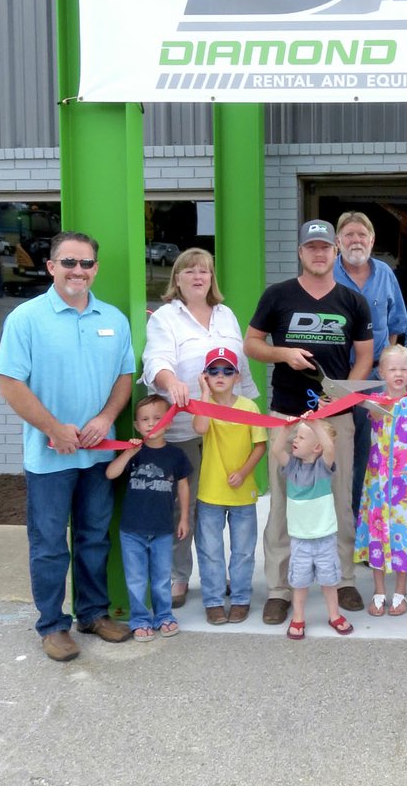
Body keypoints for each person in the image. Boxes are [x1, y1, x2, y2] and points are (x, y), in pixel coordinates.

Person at [0, 230, 135, 661]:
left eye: (86, 263)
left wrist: (107, 417)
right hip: (50, 457)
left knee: (94, 538)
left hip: (97, 455)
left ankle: (92, 613)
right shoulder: (26, 318)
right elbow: (10, 383)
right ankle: (53, 625)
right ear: (51, 266)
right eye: (69, 262)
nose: (78, 270)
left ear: (96, 269)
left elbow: (124, 377)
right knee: (51, 543)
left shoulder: (113, 319)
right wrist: (54, 428)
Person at [245, 219, 373, 625]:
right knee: (284, 501)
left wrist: (341, 393)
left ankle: (344, 578)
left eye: (325, 247)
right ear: (300, 252)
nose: (319, 254)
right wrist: (283, 355)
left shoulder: (353, 301)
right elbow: (251, 343)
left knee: (339, 499)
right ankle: (281, 589)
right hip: (286, 414)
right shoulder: (278, 295)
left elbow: (366, 356)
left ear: (335, 251)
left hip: (335, 420)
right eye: (310, 247)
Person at [141, 247, 258, 609]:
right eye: (189, 271)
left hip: (229, 429)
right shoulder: (165, 317)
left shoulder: (226, 315)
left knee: (220, 504)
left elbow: (242, 367)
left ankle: (215, 573)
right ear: (176, 278)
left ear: (211, 279)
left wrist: (254, 411)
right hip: (184, 429)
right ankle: (179, 576)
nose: (197, 276)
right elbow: (155, 359)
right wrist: (170, 379)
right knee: (184, 506)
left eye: (204, 271)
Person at [333, 211, 407, 520]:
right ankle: (337, 531)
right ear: (337, 241)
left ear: (372, 240)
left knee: (369, 455)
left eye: (362, 235)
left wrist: (387, 369)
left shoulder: (386, 274)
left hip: (375, 380)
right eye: (349, 234)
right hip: (337, 377)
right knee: (335, 454)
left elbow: (395, 325)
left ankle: (364, 527)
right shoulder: (327, 274)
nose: (356, 240)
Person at [191, 347, 268, 626]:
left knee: (244, 550)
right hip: (210, 491)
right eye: (213, 371)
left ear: (238, 377)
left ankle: (240, 599)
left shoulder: (249, 406)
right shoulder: (204, 405)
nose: (220, 375)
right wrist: (203, 395)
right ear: (205, 377)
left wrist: (244, 471)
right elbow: (199, 428)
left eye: (227, 371)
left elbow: (260, 445)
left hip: (242, 492)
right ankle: (213, 601)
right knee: (210, 549)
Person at [106, 395, 192, 642]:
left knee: (162, 579)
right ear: (136, 425)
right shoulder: (133, 452)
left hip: (163, 530)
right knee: (136, 579)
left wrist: (184, 518)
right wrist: (128, 453)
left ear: (168, 423)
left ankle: (164, 616)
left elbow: (184, 487)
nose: (151, 423)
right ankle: (140, 620)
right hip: (132, 530)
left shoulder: (175, 455)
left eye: (158, 418)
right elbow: (111, 474)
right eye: (145, 419)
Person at [354, 344, 407, 617]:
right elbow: (368, 411)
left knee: (402, 532)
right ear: (381, 372)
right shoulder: (376, 403)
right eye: (392, 368)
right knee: (377, 532)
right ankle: (379, 590)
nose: (398, 373)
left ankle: (401, 590)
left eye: (404, 369)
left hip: (405, 484)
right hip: (378, 482)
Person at [271, 419, 354, 639]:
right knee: (299, 582)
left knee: (329, 581)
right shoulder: (291, 467)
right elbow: (276, 449)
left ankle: (334, 614)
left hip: (325, 537)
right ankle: (298, 617)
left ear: (316, 447)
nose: (295, 440)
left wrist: (316, 425)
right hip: (300, 539)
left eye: (301, 437)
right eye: (296, 436)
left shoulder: (323, 467)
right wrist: (287, 429)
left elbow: (330, 448)